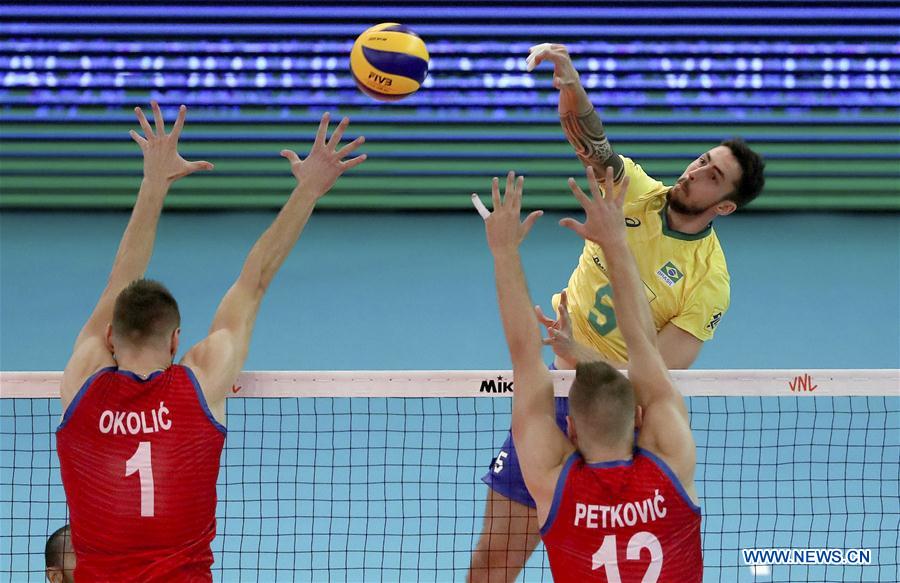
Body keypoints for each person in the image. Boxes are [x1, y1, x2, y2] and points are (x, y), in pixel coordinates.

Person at [470, 44, 764, 581]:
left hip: (614, 420)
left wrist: (573, 354)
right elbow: (594, 145)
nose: (696, 172)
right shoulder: (633, 191)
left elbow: (654, 376)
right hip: (555, 389)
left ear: (724, 206)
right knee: (491, 566)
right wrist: (571, 86)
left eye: (714, 177)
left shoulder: (709, 282)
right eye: (703, 160)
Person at [55, 103, 366, 581]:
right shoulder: (201, 383)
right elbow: (253, 281)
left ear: (111, 336)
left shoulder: (83, 385)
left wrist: (153, 182)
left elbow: (119, 280)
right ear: (178, 339)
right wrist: (308, 189)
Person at [476, 167, 702, 581]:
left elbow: (526, 355)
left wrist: (503, 251)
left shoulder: (552, 485)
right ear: (638, 419)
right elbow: (643, 348)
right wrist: (616, 241)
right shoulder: (673, 461)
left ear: (572, 429)